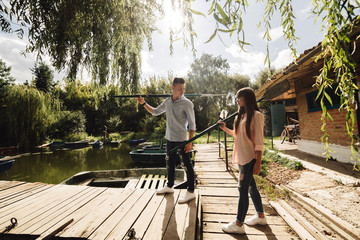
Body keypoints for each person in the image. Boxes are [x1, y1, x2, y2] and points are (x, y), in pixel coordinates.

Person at [136, 77, 196, 204]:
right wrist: (143, 103)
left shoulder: (187, 103)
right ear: (172, 88)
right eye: (179, 89)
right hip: (169, 138)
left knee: (186, 164)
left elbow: (192, 125)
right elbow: (155, 112)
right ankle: (169, 186)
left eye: (183, 89)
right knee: (169, 162)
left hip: (182, 140)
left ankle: (191, 192)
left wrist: (190, 142)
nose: (182, 92)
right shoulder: (167, 102)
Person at [218, 87, 267, 234]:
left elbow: (259, 140)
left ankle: (239, 224)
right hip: (242, 157)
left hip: (250, 158)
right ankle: (261, 216)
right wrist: (225, 128)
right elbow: (237, 135)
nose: (237, 100)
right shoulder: (240, 116)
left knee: (243, 189)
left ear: (246, 98)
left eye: (238, 97)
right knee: (251, 187)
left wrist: (258, 162)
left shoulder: (257, 116)